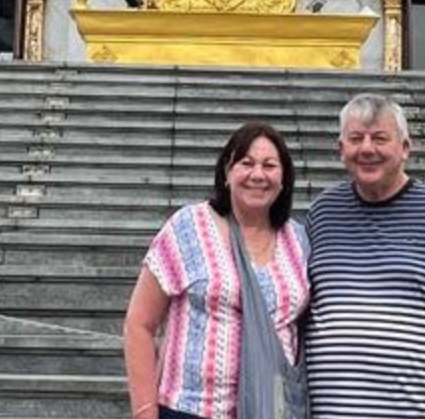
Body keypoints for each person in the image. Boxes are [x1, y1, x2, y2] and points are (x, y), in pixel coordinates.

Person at [305, 93, 425, 419]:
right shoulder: (322, 213)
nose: (367, 149)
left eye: (380, 138)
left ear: (405, 148)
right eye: (356, 139)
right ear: (342, 150)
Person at [124, 122, 311, 419]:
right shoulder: (189, 227)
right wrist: (145, 411)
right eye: (246, 163)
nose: (257, 175)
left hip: (273, 409)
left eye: (269, 165)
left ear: (284, 178)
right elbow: (139, 324)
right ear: (227, 173)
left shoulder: (298, 240)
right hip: (191, 408)